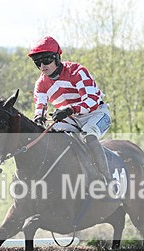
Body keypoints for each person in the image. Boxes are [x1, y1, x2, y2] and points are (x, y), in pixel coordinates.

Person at [27, 36, 112, 182]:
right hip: (70, 119)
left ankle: (107, 179)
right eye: (37, 63)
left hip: (96, 114)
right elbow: (40, 107)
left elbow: (91, 101)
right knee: (52, 139)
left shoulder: (77, 72)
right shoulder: (41, 84)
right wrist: (38, 119)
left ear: (57, 57)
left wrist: (70, 109)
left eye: (46, 60)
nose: (42, 66)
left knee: (88, 135)